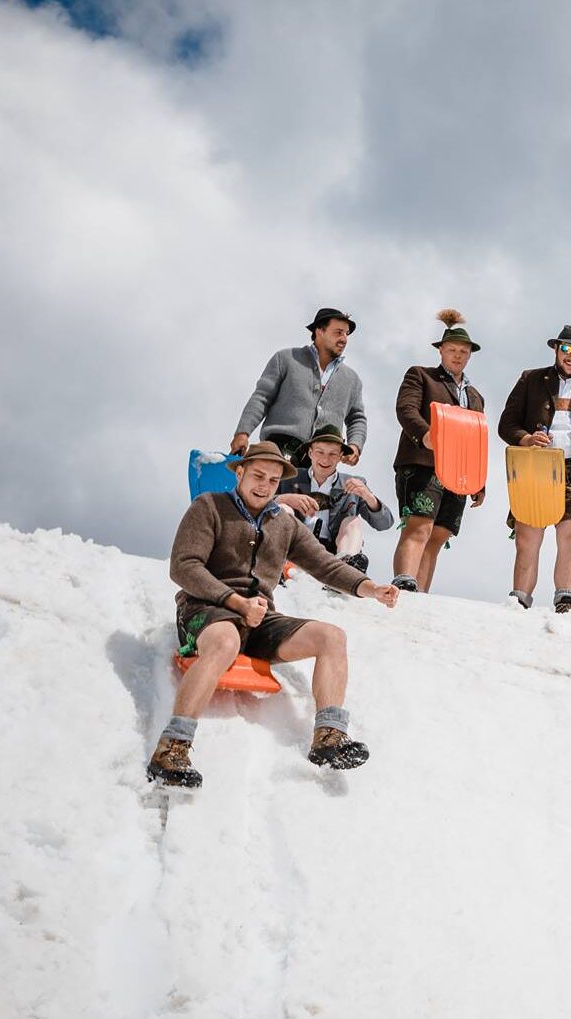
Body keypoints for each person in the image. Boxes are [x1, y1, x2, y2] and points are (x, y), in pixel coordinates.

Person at [151, 442, 399, 788]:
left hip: (259, 619)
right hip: (205, 609)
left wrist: (369, 588)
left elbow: (324, 564)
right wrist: (235, 603)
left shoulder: (284, 523)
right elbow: (183, 566)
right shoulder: (209, 507)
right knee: (224, 642)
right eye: (257, 476)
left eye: (271, 480)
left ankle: (329, 738)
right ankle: (172, 749)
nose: (264, 485)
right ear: (240, 472)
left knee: (332, 637)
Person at [498, 325, 571, 612]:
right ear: (556, 349)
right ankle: (520, 599)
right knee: (528, 536)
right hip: (536, 466)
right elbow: (507, 423)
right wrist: (525, 439)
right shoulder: (531, 379)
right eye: (566, 349)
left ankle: (565, 599)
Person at [390, 310, 486, 593]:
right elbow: (405, 409)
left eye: (463, 351)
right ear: (441, 350)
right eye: (452, 350)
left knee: (440, 532)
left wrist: (479, 480)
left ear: (470, 355)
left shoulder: (475, 396)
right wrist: (425, 434)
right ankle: (404, 582)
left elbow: (477, 438)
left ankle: (421, 592)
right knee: (419, 525)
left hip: (459, 472)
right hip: (422, 462)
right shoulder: (421, 375)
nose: (457, 355)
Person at [230, 307, 367, 468]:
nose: (344, 338)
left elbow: (357, 418)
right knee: (275, 490)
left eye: (346, 333)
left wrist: (355, 445)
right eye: (338, 332)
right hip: (280, 449)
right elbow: (262, 397)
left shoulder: (352, 379)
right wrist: (243, 432)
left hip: (322, 462)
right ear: (319, 331)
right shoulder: (286, 359)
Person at [276, 424, 393, 574]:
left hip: (332, 553)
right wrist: (285, 498)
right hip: (293, 549)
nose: (325, 459)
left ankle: (345, 569)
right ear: (310, 453)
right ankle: (279, 565)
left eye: (332, 454)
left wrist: (369, 497)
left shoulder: (354, 483)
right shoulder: (289, 477)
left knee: (353, 521)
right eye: (320, 452)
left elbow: (385, 524)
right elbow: (258, 506)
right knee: (282, 508)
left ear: (340, 456)